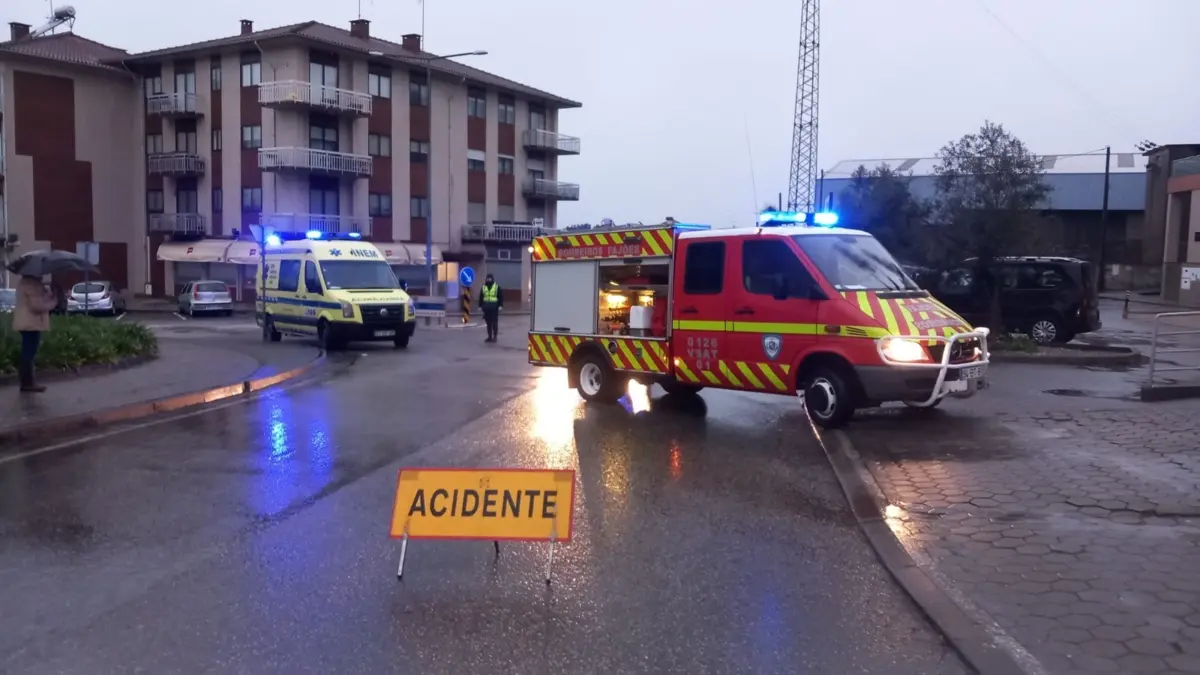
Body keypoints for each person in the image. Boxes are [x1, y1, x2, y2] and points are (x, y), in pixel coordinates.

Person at [13, 274, 59, 392]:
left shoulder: (27, 284)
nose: (43, 276)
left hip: (28, 322)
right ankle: (27, 383)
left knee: (29, 350)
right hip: (30, 323)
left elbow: (37, 300)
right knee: (29, 351)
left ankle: (27, 382)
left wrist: (48, 295)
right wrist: (53, 303)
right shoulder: (31, 285)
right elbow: (36, 306)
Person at [479, 273, 503, 342]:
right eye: (488, 278)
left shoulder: (497, 287)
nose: (489, 280)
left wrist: (500, 306)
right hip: (486, 308)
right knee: (488, 323)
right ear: (486, 279)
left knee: (494, 323)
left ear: (492, 279)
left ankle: (495, 336)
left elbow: (500, 297)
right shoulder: (483, 287)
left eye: (490, 278)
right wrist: (480, 306)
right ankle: (489, 336)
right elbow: (481, 297)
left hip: (494, 308)